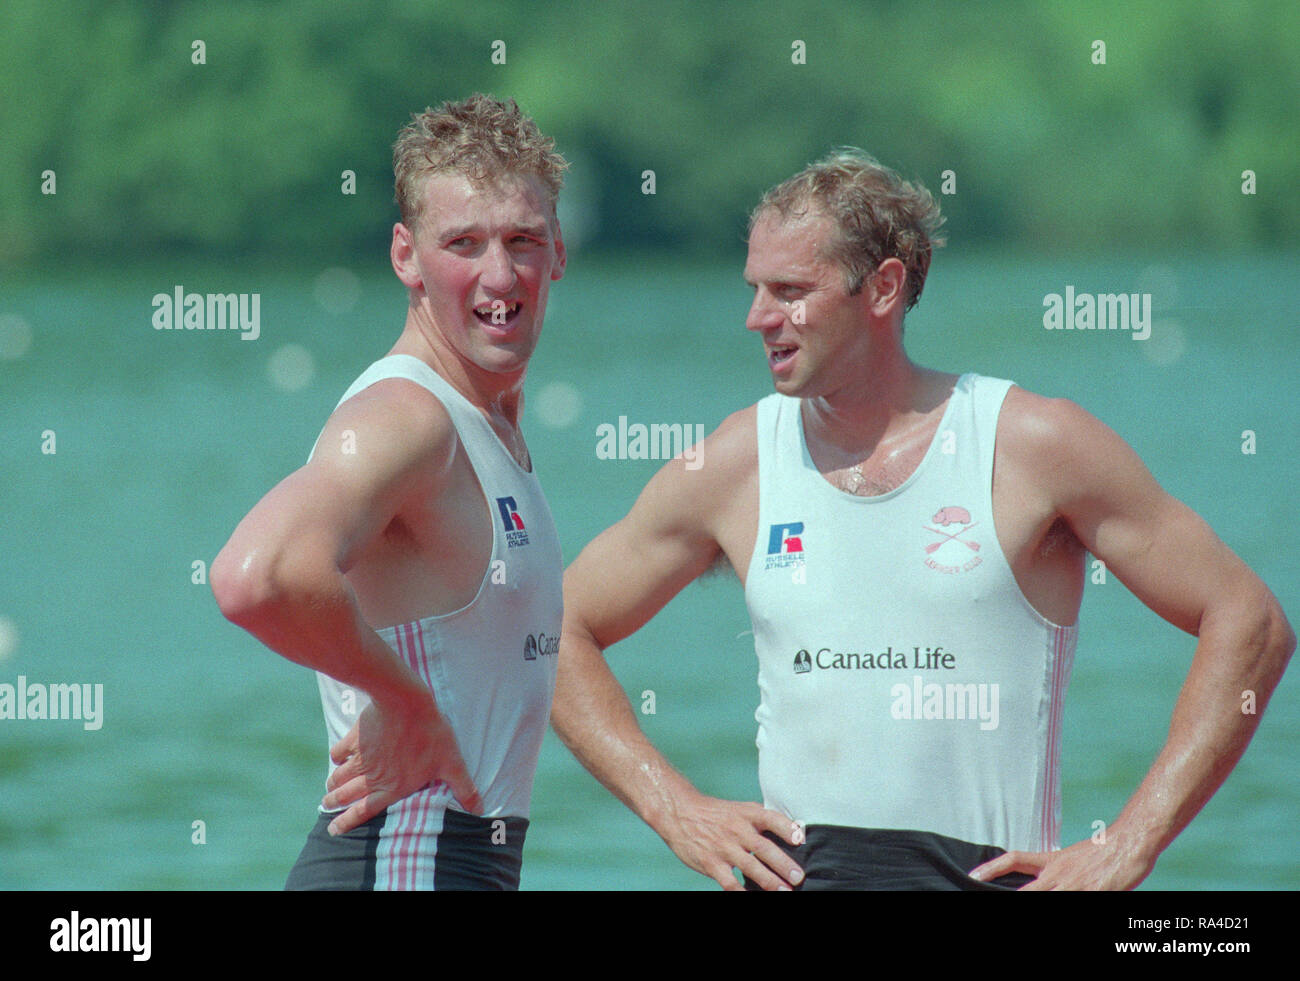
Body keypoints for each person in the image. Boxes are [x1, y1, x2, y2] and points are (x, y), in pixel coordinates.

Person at [550, 148, 1294, 891]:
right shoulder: (734, 463)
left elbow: (1249, 621)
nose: (756, 318)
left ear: (882, 288)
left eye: (789, 290)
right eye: (754, 289)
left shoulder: (1034, 445)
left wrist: (1128, 845)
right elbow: (551, 631)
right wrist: (674, 807)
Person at [211, 94, 568, 890]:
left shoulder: (485, 422)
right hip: (408, 858)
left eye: (522, 240)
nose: (500, 274)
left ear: (559, 252)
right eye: (463, 244)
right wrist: (406, 707)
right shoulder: (406, 418)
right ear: (405, 255)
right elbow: (252, 575)